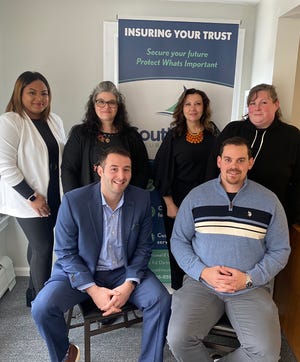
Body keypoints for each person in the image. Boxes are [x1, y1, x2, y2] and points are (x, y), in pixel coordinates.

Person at [31, 146, 171, 362]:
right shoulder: (74, 200)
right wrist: (94, 290)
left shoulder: (141, 199)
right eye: (114, 169)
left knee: (160, 300)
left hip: (123, 272)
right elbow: (65, 252)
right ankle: (65, 354)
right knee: (42, 307)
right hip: (81, 271)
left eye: (127, 169)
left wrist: (128, 285)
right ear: (100, 170)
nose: (121, 176)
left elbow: (144, 247)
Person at [167, 137, 291, 362]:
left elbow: (281, 250)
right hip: (202, 285)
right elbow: (178, 241)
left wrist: (249, 278)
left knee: (267, 354)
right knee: (178, 339)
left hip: (250, 288)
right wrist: (203, 272)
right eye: (228, 159)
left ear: (250, 163)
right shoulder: (197, 196)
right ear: (219, 161)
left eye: (241, 160)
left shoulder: (269, 201)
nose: (234, 165)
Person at [0, 71, 66, 307]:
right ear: (20, 93)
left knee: (37, 246)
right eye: (32, 92)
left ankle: (32, 294)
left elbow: (59, 159)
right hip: (28, 200)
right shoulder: (10, 121)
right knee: (44, 247)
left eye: (44, 93)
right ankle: (45, 305)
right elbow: (4, 165)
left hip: (53, 196)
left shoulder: (54, 120)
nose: (40, 98)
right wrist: (31, 196)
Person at [206, 83, 300, 225]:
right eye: (252, 103)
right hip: (228, 211)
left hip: (271, 216)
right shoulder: (233, 129)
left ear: (276, 104)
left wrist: (292, 217)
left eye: (263, 102)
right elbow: (213, 166)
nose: (257, 108)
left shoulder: (292, 136)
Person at [154, 88, 218, 290]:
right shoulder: (174, 136)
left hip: (206, 205)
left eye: (198, 103)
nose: (193, 108)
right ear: (182, 108)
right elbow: (161, 171)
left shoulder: (213, 135)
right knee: (178, 249)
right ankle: (179, 291)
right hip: (176, 205)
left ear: (204, 107)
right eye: (188, 104)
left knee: (203, 249)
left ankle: (201, 291)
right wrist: (170, 204)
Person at [61, 80, 149, 193]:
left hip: (124, 203)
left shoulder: (132, 136)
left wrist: (132, 198)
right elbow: (69, 170)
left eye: (111, 102)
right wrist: (74, 201)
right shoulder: (80, 134)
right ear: (93, 105)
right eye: (101, 102)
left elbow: (143, 171)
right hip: (87, 203)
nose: (106, 106)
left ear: (118, 106)